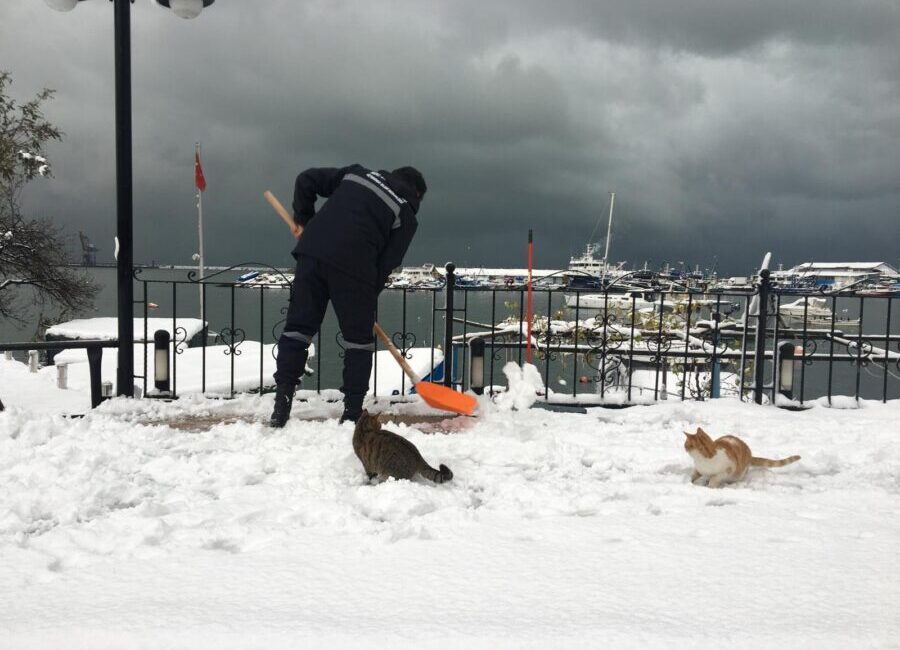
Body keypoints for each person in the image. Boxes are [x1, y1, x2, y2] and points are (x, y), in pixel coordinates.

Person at [270, 164, 426, 427]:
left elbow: (305, 179)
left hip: (313, 253)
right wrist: (366, 297)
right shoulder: (406, 214)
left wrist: (305, 222)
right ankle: (352, 413)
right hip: (356, 268)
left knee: (298, 330)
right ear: (417, 195)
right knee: (358, 342)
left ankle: (281, 406)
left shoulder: (356, 174)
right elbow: (388, 261)